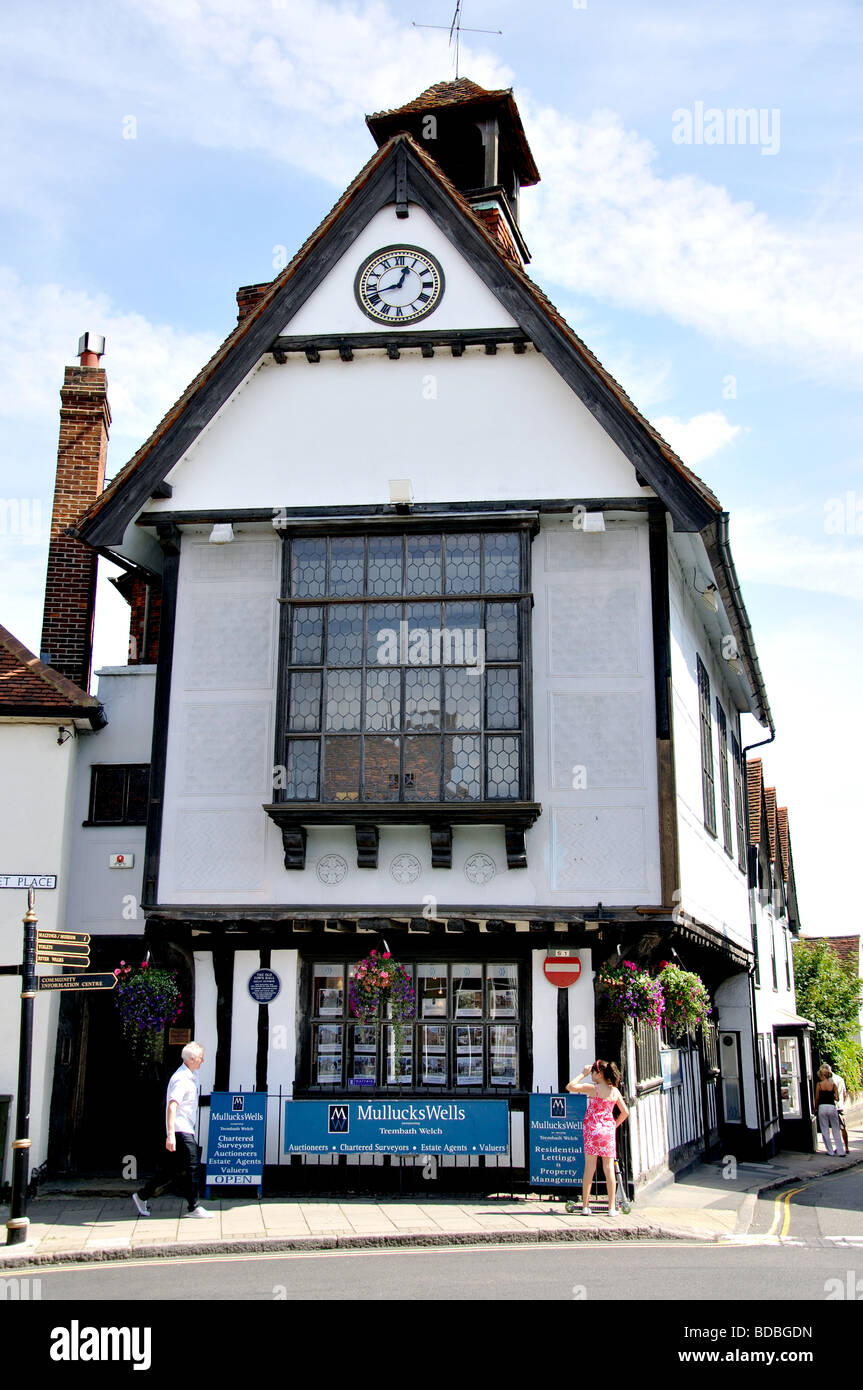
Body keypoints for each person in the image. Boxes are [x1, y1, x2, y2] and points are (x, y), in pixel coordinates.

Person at [133, 1041, 212, 1218]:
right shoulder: (181, 1079)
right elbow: (172, 1106)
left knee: (171, 1170)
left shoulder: (190, 1075)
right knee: (193, 1166)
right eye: (200, 1057)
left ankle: (141, 1195)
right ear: (191, 1059)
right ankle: (194, 1207)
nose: (203, 1060)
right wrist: (170, 1135)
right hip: (180, 1129)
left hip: (184, 1128)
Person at [566, 1059, 629, 1215]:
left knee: (589, 1168)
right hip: (607, 1131)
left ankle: (586, 1206)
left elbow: (570, 1086)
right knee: (609, 1169)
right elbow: (625, 1112)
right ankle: (611, 1207)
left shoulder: (594, 1089)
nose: (591, 1075)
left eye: (593, 1072)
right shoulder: (615, 1091)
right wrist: (613, 1125)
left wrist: (583, 1073)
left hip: (592, 1130)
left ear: (598, 1073)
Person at [814, 1063, 845, 1157]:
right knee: (836, 1129)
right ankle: (840, 1151)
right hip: (832, 1107)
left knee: (825, 1129)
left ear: (821, 1075)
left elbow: (817, 1098)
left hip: (822, 1107)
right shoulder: (833, 1085)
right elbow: (837, 1098)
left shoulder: (819, 1084)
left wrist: (815, 1108)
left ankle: (830, 1151)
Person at [831, 1068, 850, 1155]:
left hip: (833, 1106)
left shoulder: (830, 1080)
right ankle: (846, 1147)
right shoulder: (840, 1078)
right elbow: (845, 1094)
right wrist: (842, 1103)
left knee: (835, 1128)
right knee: (843, 1128)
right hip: (840, 1106)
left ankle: (839, 1147)